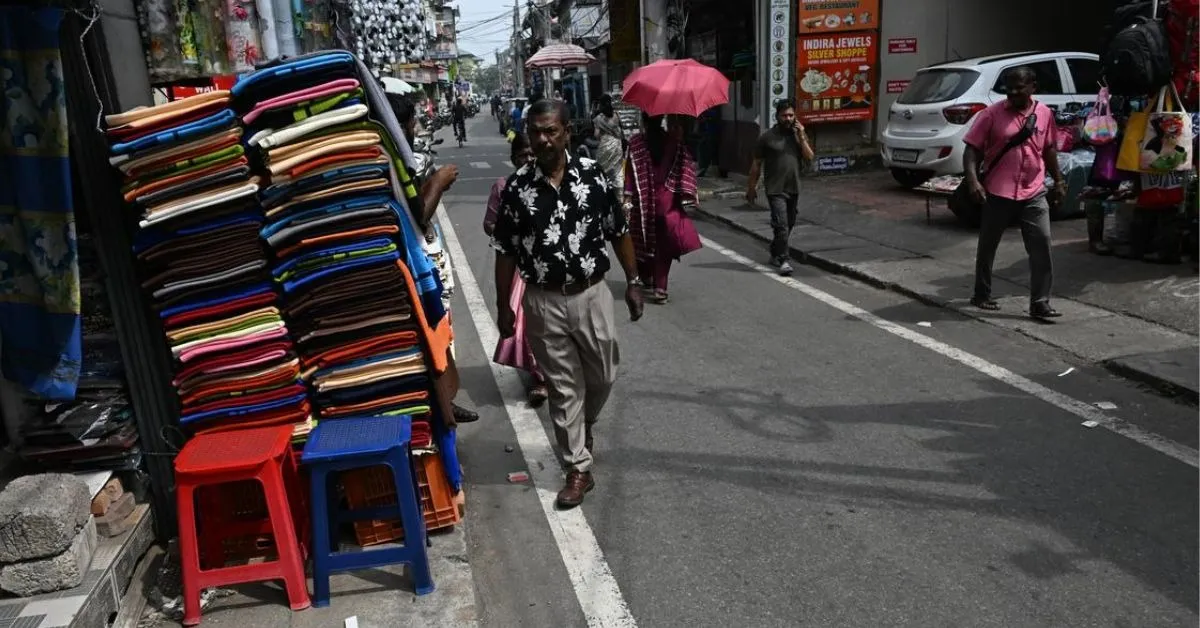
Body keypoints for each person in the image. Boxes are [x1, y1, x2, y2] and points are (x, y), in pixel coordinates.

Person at [491, 99, 644, 508]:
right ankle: (578, 467)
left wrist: (633, 281)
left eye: (550, 130)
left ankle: (586, 423)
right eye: (536, 131)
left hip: (592, 293)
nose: (542, 139)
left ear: (566, 132)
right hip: (542, 300)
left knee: (604, 374)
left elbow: (619, 229)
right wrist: (505, 306)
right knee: (562, 388)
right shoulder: (518, 187)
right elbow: (504, 250)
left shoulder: (593, 176)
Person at [387, 93, 481, 423]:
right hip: (415, 263)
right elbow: (419, 215)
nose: (415, 128)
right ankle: (441, 405)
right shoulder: (396, 162)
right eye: (411, 124)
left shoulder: (400, 159)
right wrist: (438, 183)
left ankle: (444, 399)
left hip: (420, 259)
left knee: (442, 332)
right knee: (436, 335)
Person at [963, 66, 1064, 320]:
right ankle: (981, 294)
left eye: (1019, 88)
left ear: (1033, 87)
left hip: (1034, 191)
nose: (1013, 92)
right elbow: (971, 150)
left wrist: (1059, 181)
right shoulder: (991, 114)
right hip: (998, 191)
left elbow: (1049, 149)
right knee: (988, 246)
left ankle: (1040, 302)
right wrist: (973, 181)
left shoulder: (1044, 114)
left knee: (1041, 244)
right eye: (1009, 88)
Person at [484, 134, 549, 406]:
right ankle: (540, 377)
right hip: (519, 268)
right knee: (528, 322)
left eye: (531, 154)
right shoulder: (504, 187)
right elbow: (490, 224)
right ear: (513, 159)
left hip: (546, 266)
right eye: (523, 155)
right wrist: (510, 234)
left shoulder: (549, 184)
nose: (528, 160)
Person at [623, 113, 701, 304]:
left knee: (643, 239)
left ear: (643, 121)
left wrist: (626, 197)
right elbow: (687, 165)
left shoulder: (636, 143)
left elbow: (630, 175)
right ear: (661, 120)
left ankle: (647, 275)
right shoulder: (673, 141)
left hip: (643, 200)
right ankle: (660, 288)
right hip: (667, 200)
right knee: (663, 245)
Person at [746, 99, 814, 276]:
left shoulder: (798, 135)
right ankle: (784, 260)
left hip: (794, 187)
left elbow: (809, 156)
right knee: (781, 225)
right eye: (784, 115)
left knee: (789, 224)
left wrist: (802, 135)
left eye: (791, 115)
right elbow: (756, 164)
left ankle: (775, 251)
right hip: (775, 189)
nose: (788, 118)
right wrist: (751, 188)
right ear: (777, 116)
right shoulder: (767, 137)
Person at [591, 94, 626, 191]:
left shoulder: (598, 118)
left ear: (601, 104)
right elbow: (621, 133)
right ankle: (619, 195)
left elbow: (596, 135)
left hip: (605, 146)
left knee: (604, 172)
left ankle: (606, 193)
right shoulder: (616, 115)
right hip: (617, 146)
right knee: (617, 172)